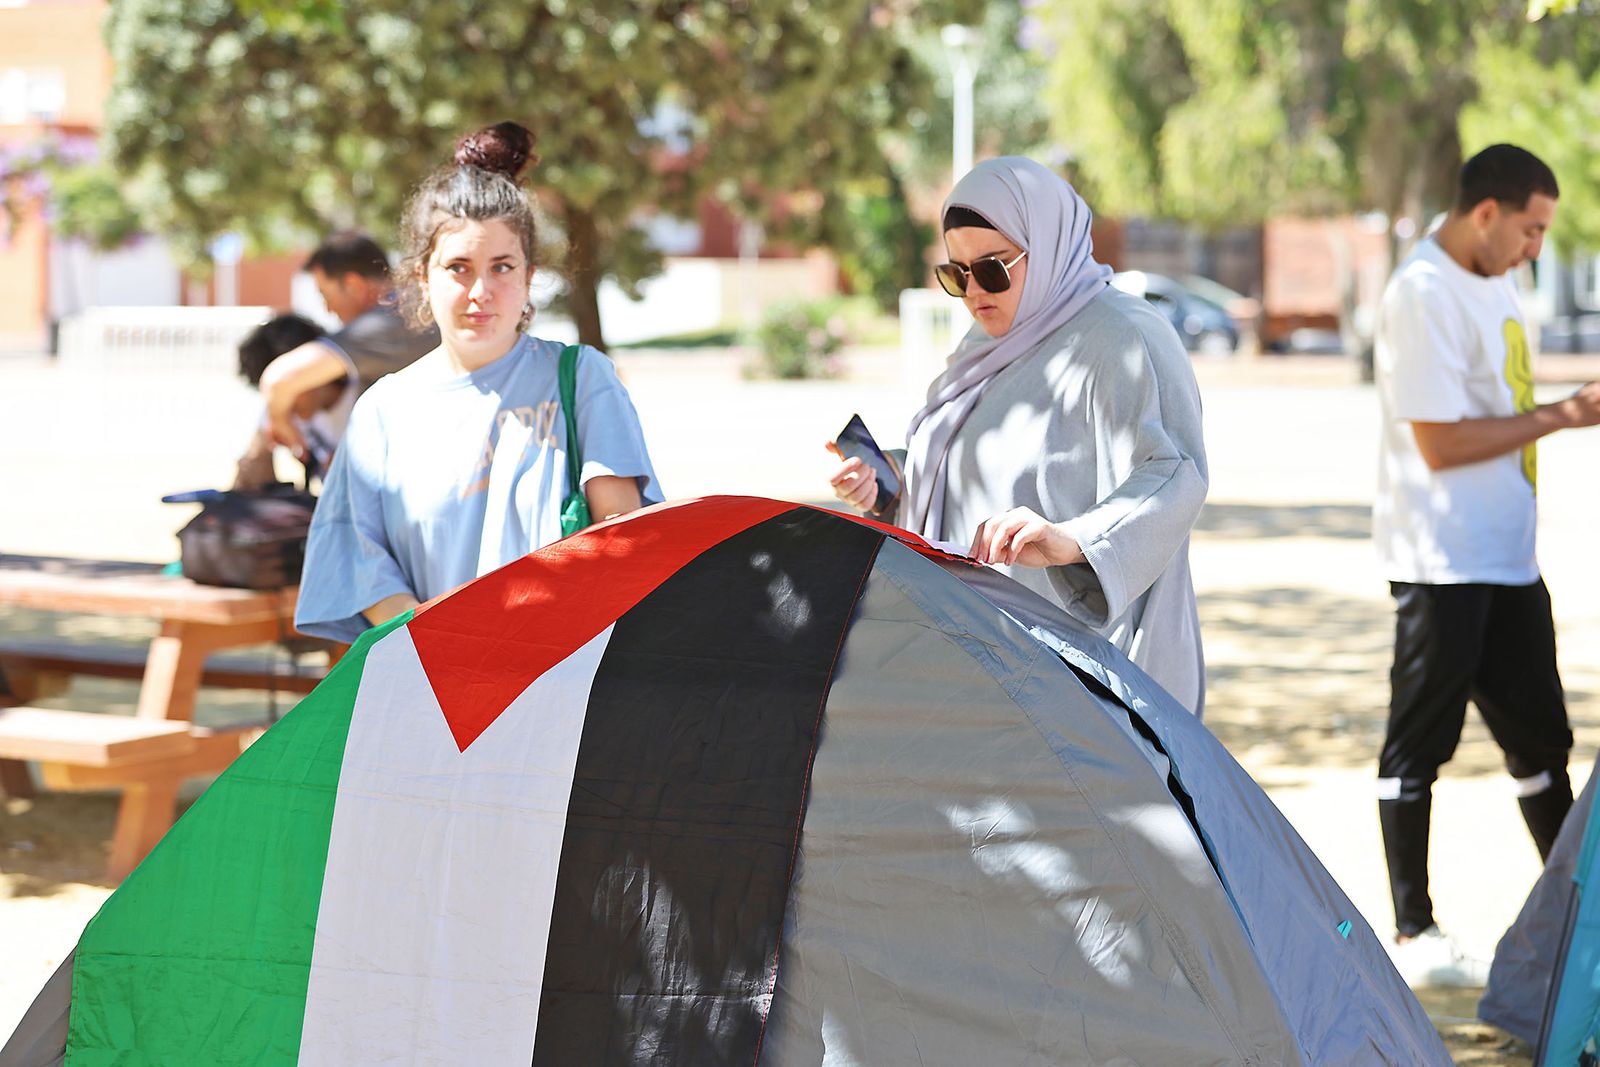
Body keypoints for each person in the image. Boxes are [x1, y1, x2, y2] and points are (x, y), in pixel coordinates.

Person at [831, 157, 1208, 714]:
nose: (974, 292)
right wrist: (889, 481)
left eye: (993, 269)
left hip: (1077, 682)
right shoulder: (983, 346)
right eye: (956, 275)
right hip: (972, 668)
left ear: (1048, 245)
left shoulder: (1125, 336)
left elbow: (1173, 472)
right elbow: (976, 463)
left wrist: (1074, 540)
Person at [295, 121, 662, 643]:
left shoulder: (580, 379)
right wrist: (444, 647)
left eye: (503, 267)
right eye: (459, 268)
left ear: (529, 276)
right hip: (434, 688)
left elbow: (623, 538)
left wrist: (514, 629)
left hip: (563, 681)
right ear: (422, 277)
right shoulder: (383, 410)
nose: (480, 291)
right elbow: (360, 563)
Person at [1371, 143, 1600, 973]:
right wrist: (1563, 416)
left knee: (1542, 742)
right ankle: (1413, 931)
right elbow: (1439, 443)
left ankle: (1582, 920)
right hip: (1441, 560)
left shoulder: (1496, 275)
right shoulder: (1421, 294)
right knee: (1419, 743)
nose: (1537, 246)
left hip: (1506, 557)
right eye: (1531, 229)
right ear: (1487, 213)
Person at [235, 232, 439, 485]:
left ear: (354, 285)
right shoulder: (409, 313)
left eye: (325, 294)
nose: (327, 309)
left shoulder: (396, 320)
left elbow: (279, 380)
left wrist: (284, 426)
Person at [232, 313, 346, 486]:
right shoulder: (281, 408)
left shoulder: (363, 399)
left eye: (281, 387)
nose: (285, 409)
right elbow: (254, 461)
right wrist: (255, 466)